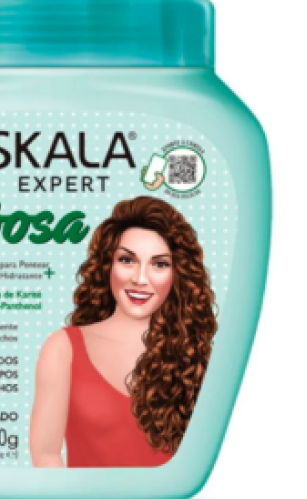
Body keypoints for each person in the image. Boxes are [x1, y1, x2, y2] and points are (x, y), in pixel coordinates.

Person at [29, 196, 217, 468]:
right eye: (127, 260)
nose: (140, 279)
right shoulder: (63, 348)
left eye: (159, 264)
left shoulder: (196, 354)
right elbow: (45, 453)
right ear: (108, 265)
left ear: (177, 274)